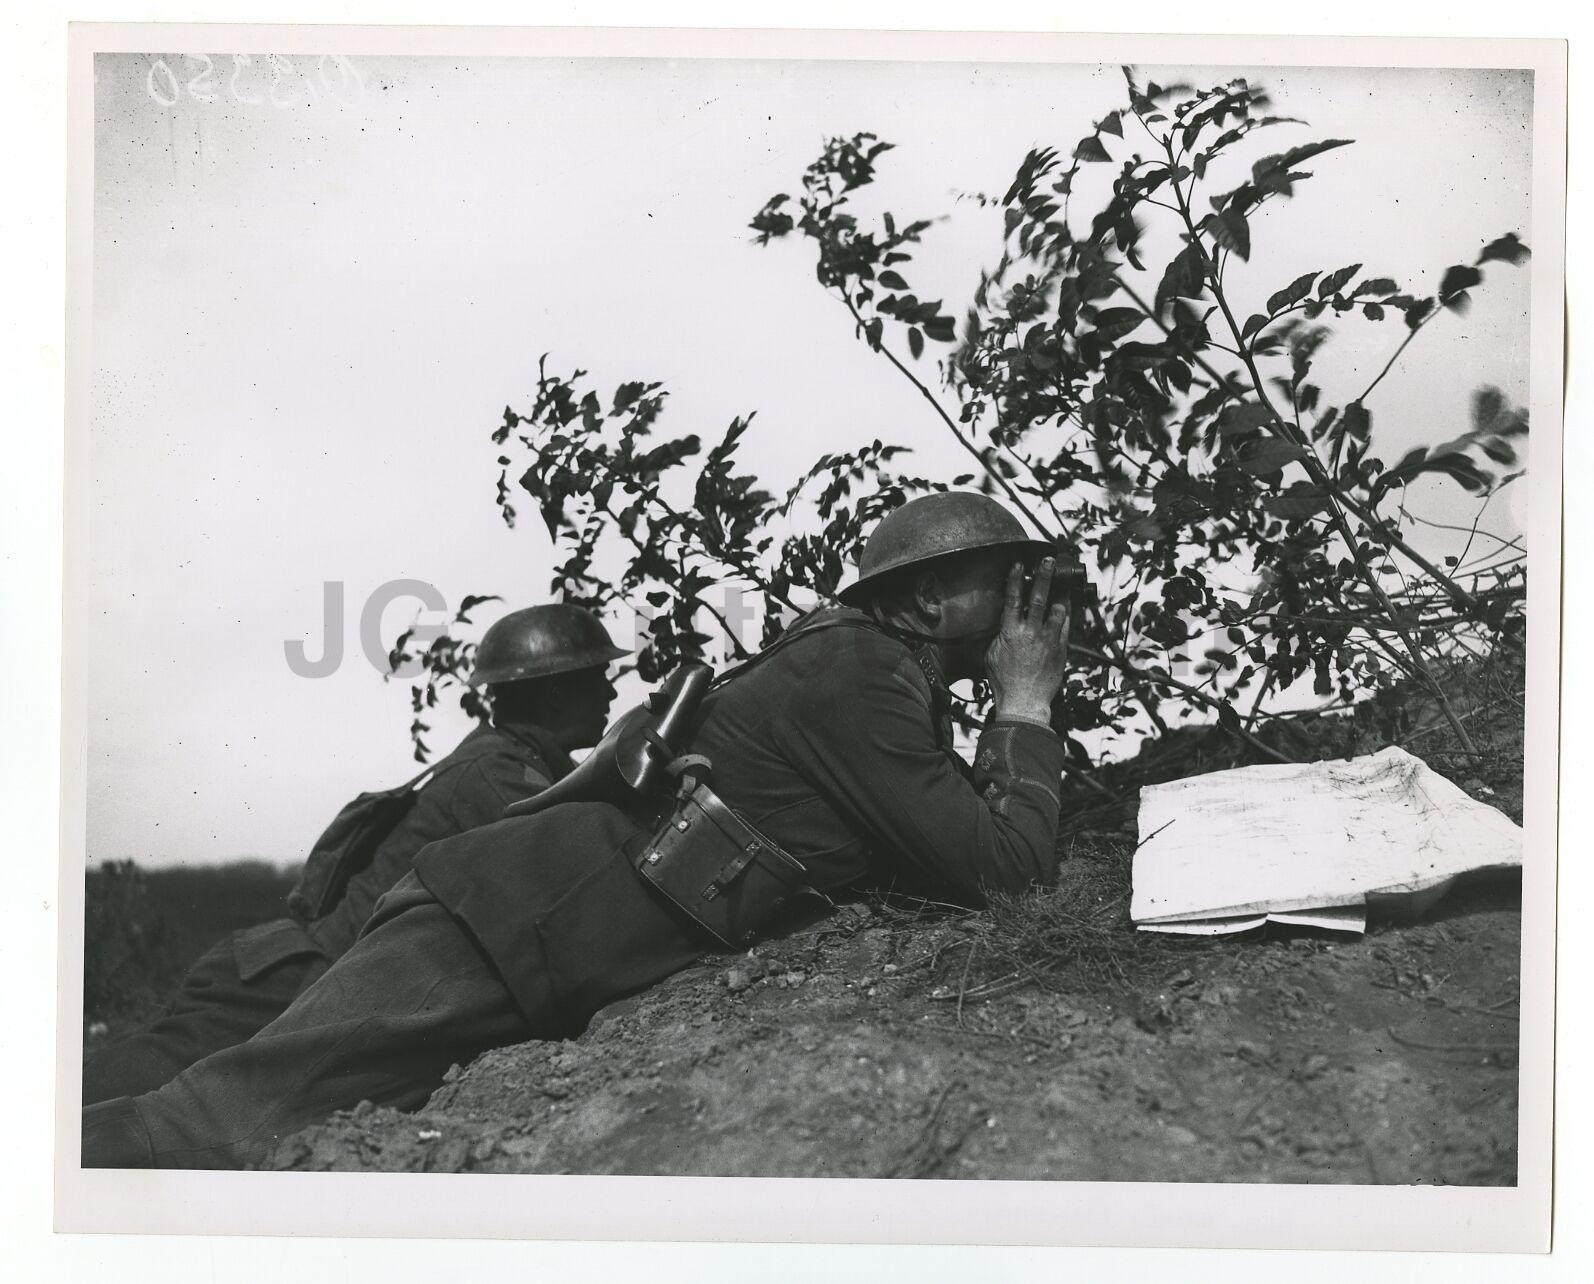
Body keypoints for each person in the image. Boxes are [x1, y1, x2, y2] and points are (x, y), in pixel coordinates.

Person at [82, 491, 1074, 1169]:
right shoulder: (856, 673)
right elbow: (1005, 868)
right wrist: (1025, 703)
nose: (1031, 609)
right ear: (929, 597)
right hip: (492, 929)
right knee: (207, 1122)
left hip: (523, 944)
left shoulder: (874, 676)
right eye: (1008, 584)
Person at [81, 604, 625, 1105]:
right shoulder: (497, 776)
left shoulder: (504, 763)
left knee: (140, 1098)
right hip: (291, 982)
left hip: (303, 976)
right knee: (101, 1099)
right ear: (555, 693)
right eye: (598, 678)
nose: (609, 695)